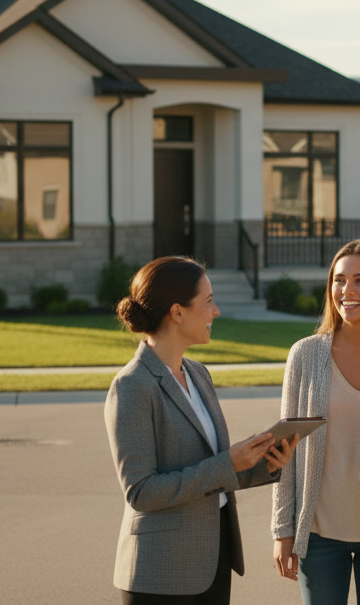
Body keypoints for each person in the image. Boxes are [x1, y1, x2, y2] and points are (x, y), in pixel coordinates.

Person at [105, 256, 299, 604]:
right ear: (177, 312)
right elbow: (141, 492)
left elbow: (216, 472)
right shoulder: (133, 385)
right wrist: (228, 463)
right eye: (208, 301)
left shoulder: (198, 374)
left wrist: (263, 464)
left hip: (212, 563)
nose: (217, 311)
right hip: (160, 575)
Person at [272, 239, 360, 605]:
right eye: (339, 280)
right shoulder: (305, 354)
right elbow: (285, 452)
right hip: (318, 532)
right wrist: (283, 529)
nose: (347, 290)